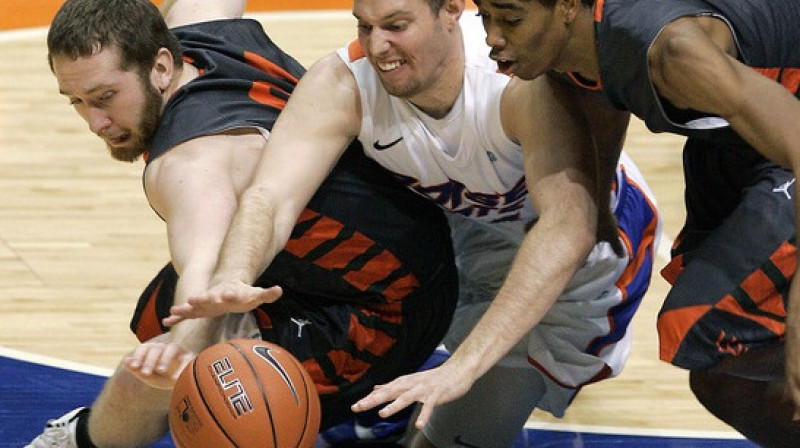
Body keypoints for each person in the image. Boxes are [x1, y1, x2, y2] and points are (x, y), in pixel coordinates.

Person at [166, 0, 661, 446]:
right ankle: (393, 399)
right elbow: (270, 197)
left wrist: (463, 367)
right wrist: (235, 275)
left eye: (397, 26)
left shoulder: (512, 82)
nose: (378, 46)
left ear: (451, 12)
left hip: (577, 265)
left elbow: (569, 227)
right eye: (365, 26)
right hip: (465, 244)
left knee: (460, 431)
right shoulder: (343, 83)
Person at [26, 0, 460, 447]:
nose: (95, 122)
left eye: (105, 98)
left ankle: (79, 440)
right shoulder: (196, 30)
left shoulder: (189, 163)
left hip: (386, 310)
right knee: (160, 316)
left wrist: (181, 354)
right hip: (374, 250)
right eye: (77, 102)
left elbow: (205, 275)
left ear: (160, 68)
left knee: (198, 385)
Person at [469, 0, 800, 446]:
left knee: (701, 325)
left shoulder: (672, 51)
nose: (492, 37)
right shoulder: (571, 51)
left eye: (511, 19)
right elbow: (603, 92)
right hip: (741, 139)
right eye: (485, 17)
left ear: (567, 8)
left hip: (789, 129)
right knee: (722, 383)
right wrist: (600, 202)